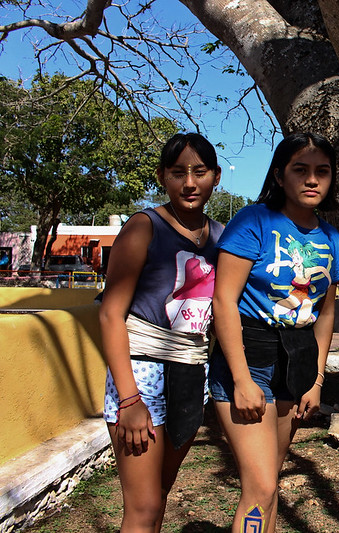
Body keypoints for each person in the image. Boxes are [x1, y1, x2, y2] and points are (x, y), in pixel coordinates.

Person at [209, 132, 339, 533]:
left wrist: (316, 378)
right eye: (300, 170)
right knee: (261, 485)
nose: (312, 180)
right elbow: (223, 302)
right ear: (281, 175)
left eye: (322, 171)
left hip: (297, 359)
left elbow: (325, 312)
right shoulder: (253, 221)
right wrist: (240, 379)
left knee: (270, 483)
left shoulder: (332, 237)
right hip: (249, 355)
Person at [99, 132, 223, 532]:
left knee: (160, 494)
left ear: (216, 177)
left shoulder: (222, 237)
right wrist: (130, 399)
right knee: (143, 507)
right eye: (177, 172)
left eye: (199, 172)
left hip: (191, 372)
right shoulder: (143, 227)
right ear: (162, 177)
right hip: (142, 373)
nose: (189, 183)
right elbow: (110, 315)